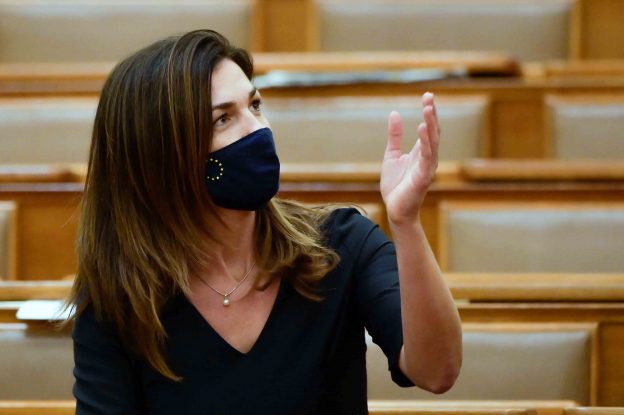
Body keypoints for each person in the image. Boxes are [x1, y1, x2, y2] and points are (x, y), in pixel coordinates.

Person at [65, 29, 462, 414]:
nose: (259, 129)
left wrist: (405, 221)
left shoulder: (339, 244)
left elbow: (437, 372)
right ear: (161, 156)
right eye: (223, 119)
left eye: (254, 105)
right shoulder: (118, 303)